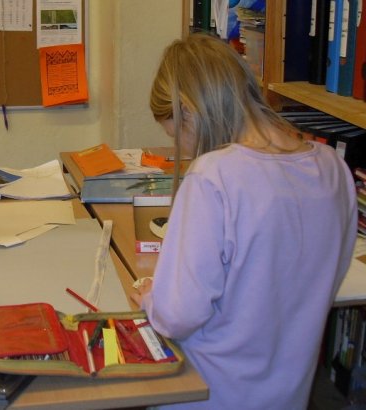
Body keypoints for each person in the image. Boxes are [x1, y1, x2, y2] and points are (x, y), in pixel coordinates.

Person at [131, 34, 357, 409]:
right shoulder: (334, 168)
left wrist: (152, 299)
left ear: (189, 110)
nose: (187, 151)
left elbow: (177, 316)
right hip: (288, 395)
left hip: (207, 394)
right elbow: (326, 278)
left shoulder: (213, 176)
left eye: (179, 136)